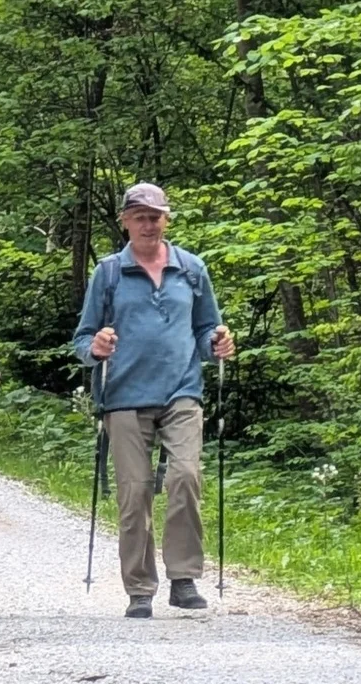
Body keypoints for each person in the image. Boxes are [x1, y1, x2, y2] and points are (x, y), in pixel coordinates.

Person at [72, 182, 236, 619]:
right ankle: (140, 588)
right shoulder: (108, 272)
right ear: (125, 221)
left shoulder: (192, 269)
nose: (149, 223)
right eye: (140, 216)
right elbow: (82, 339)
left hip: (182, 390)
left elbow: (207, 330)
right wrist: (97, 348)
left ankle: (183, 579)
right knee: (134, 492)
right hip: (123, 396)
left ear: (167, 219)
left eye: (156, 216)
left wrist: (218, 343)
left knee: (185, 476)